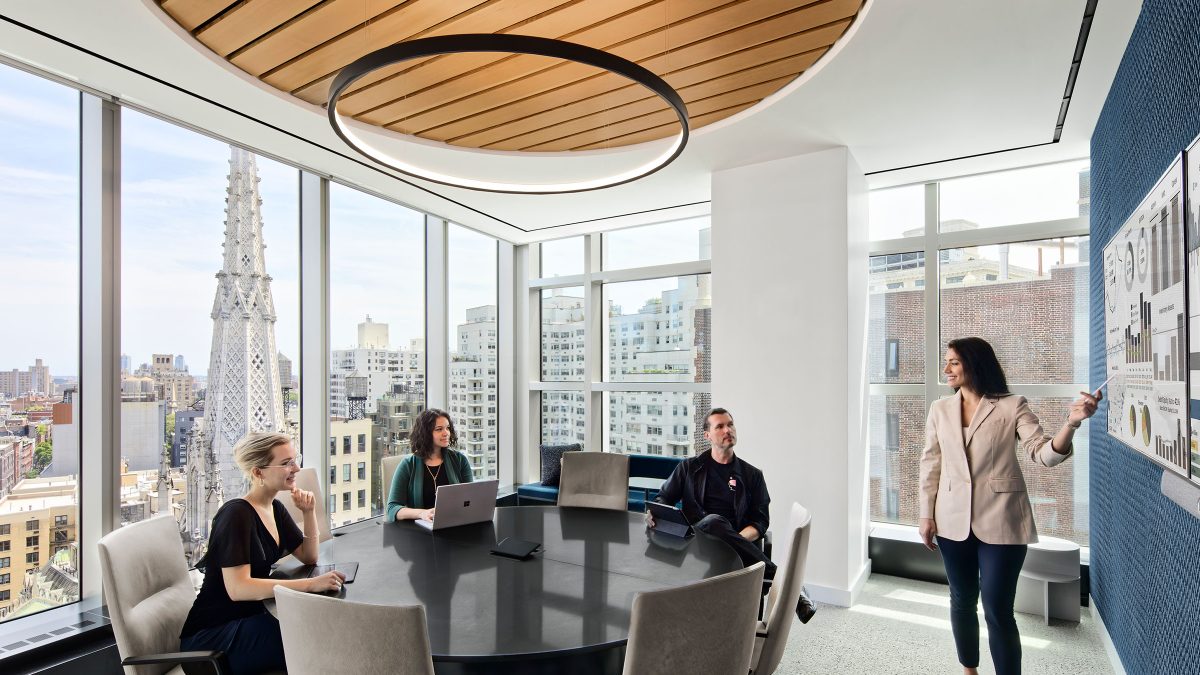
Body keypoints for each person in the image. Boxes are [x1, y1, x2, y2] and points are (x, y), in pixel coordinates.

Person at [919, 337, 1099, 675]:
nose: (946, 369)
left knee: (998, 608)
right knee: (961, 600)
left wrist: (1072, 423)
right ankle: (969, 670)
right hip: (950, 519)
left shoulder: (1012, 405)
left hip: (1002, 519)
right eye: (947, 362)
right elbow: (930, 464)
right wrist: (926, 514)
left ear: (975, 363)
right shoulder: (939, 409)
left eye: (954, 362)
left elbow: (1043, 453)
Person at [180, 432, 345, 674]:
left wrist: (308, 513)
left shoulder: (275, 508)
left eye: (295, 459)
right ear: (258, 473)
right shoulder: (235, 514)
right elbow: (239, 588)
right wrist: (310, 585)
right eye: (286, 463)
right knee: (314, 637)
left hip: (249, 619)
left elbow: (309, 556)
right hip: (211, 641)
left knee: (316, 630)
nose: (296, 468)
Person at [647, 407, 817, 622]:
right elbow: (662, 499)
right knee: (713, 521)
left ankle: (780, 582)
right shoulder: (689, 468)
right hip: (696, 546)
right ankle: (786, 582)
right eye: (720, 426)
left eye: (730, 424)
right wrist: (653, 513)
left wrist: (733, 542)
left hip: (739, 548)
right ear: (707, 435)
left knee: (716, 523)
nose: (728, 429)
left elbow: (761, 520)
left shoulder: (752, 475)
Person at [387, 408, 475, 523]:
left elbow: (470, 499)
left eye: (447, 428)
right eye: (439, 429)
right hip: (420, 531)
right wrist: (422, 513)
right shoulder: (408, 465)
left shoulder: (460, 460)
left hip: (454, 525)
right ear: (425, 434)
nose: (446, 433)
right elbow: (392, 508)